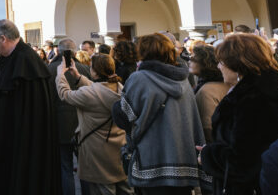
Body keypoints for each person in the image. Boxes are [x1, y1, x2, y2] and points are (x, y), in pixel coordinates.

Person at [111, 33, 207, 194]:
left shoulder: (139, 78)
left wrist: (116, 104)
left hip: (151, 160)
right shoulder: (182, 79)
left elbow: (124, 117)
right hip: (182, 161)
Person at [0, 19, 60, 195]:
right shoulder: (10, 59)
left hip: (19, 143)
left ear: (3, 38)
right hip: (6, 141)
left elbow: (29, 111)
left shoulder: (26, 61)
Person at [199, 33, 278, 194]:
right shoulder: (257, 90)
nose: (219, 67)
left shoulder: (254, 98)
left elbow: (246, 160)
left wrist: (208, 155)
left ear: (237, 63)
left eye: (222, 62)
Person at [56, 53, 132, 195]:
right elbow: (100, 91)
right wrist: (78, 77)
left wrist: (60, 74)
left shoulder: (89, 93)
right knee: (125, 189)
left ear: (95, 71)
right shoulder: (120, 88)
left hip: (98, 152)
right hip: (119, 149)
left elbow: (65, 94)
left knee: (103, 190)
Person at [48, 38, 91, 195]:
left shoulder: (50, 69)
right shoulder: (84, 70)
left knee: (65, 167)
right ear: (74, 52)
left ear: (58, 51)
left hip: (59, 124)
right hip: (83, 124)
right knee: (84, 167)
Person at [188, 44, 229, 142]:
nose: (189, 61)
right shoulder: (224, 83)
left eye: (193, 59)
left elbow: (208, 129)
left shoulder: (206, 91)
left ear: (205, 63)